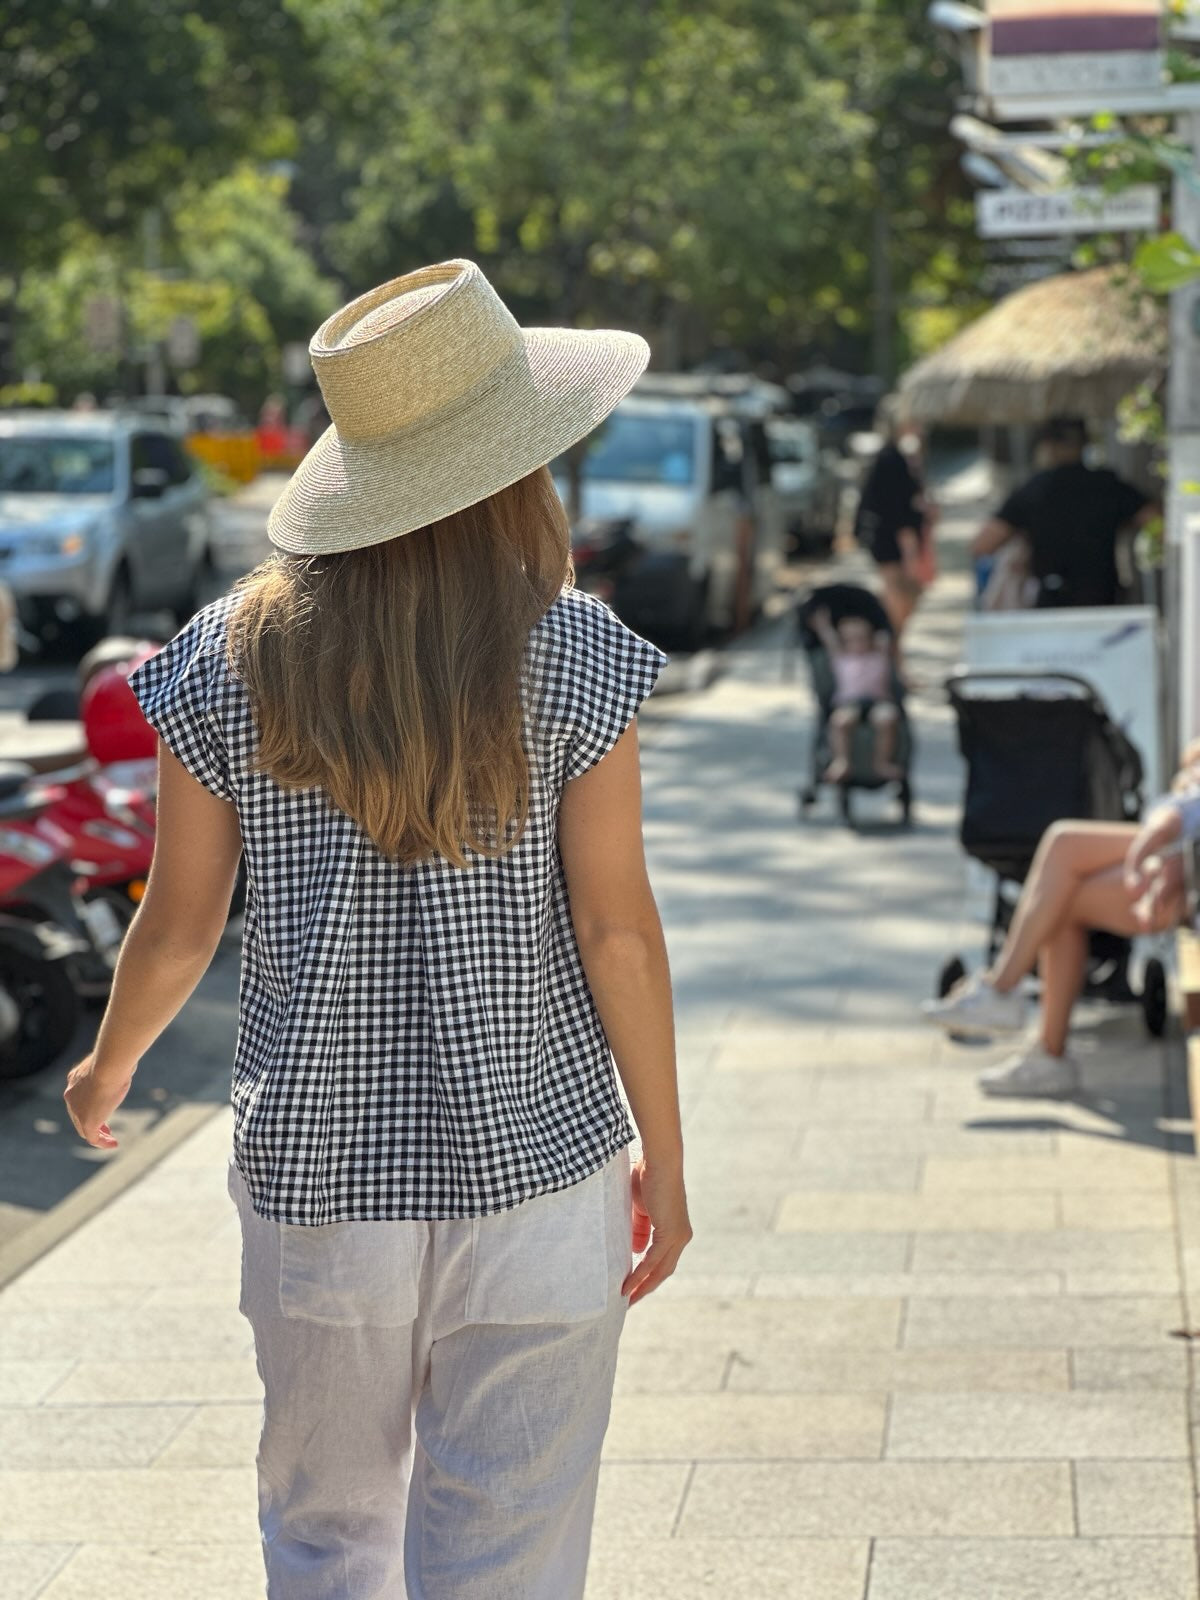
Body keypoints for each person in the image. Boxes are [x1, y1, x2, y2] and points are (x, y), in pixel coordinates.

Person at [61, 259, 692, 1600]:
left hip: (321, 1182)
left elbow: (179, 925)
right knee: (509, 1553)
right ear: (518, 459)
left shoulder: (232, 655)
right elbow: (618, 934)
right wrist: (669, 1162)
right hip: (542, 1163)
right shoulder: (577, 651)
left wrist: (108, 1067)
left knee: (329, 1542)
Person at [923, 746, 1199, 1097]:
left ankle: (1011, 1003)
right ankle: (1016, 1012)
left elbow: (1179, 816)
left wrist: (1154, 851)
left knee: (1062, 873)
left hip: (1185, 871)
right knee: (1062, 857)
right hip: (1181, 856)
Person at [972, 417, 1154, 609]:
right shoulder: (1108, 485)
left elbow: (983, 544)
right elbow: (1155, 521)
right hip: (1102, 599)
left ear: (1047, 446)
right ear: (1084, 444)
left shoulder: (1034, 489)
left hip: (1050, 602)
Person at [854, 415, 930, 641]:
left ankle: (892, 651)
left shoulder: (898, 457)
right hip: (893, 542)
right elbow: (896, 510)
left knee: (903, 595)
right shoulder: (891, 459)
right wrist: (910, 550)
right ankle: (890, 649)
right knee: (899, 597)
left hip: (892, 539)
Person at [810, 605, 901, 781]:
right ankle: (841, 761)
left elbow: (889, 634)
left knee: (887, 718)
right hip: (850, 702)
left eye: (862, 639)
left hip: (877, 701)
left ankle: (882, 762)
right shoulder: (842, 659)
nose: (857, 644)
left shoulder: (878, 656)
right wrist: (823, 624)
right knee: (840, 721)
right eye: (851, 640)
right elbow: (829, 639)